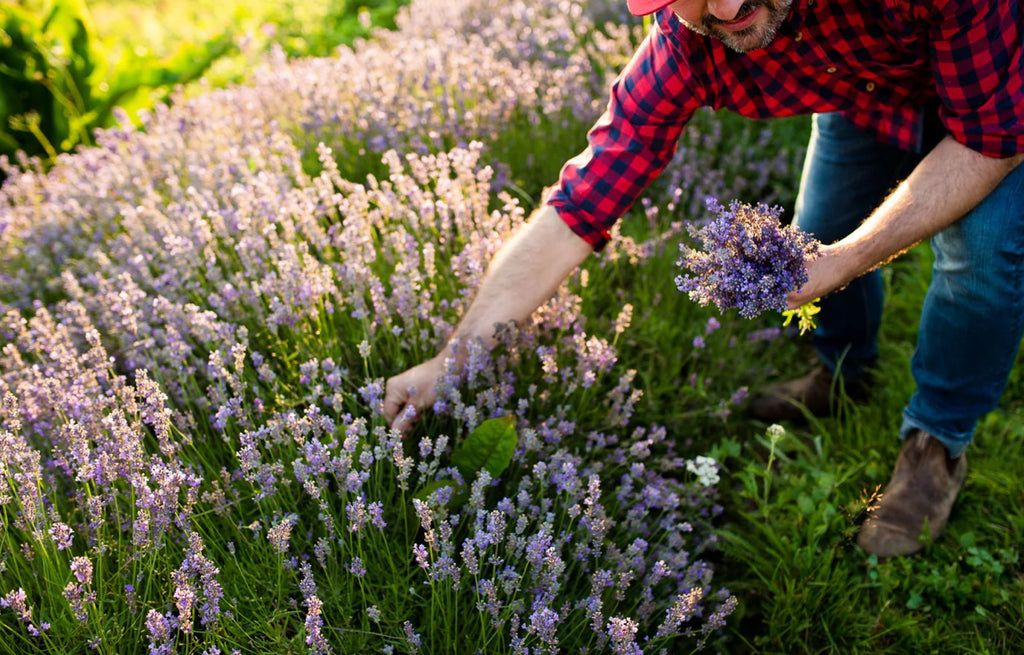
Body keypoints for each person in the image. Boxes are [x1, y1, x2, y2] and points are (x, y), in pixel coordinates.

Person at [384, 0, 1024, 558]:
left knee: (980, 258)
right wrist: (455, 357)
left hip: (989, 81)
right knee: (817, 226)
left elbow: (991, 140)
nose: (722, 9)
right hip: (858, 92)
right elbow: (577, 206)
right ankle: (842, 371)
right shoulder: (686, 42)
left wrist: (845, 260)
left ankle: (937, 441)